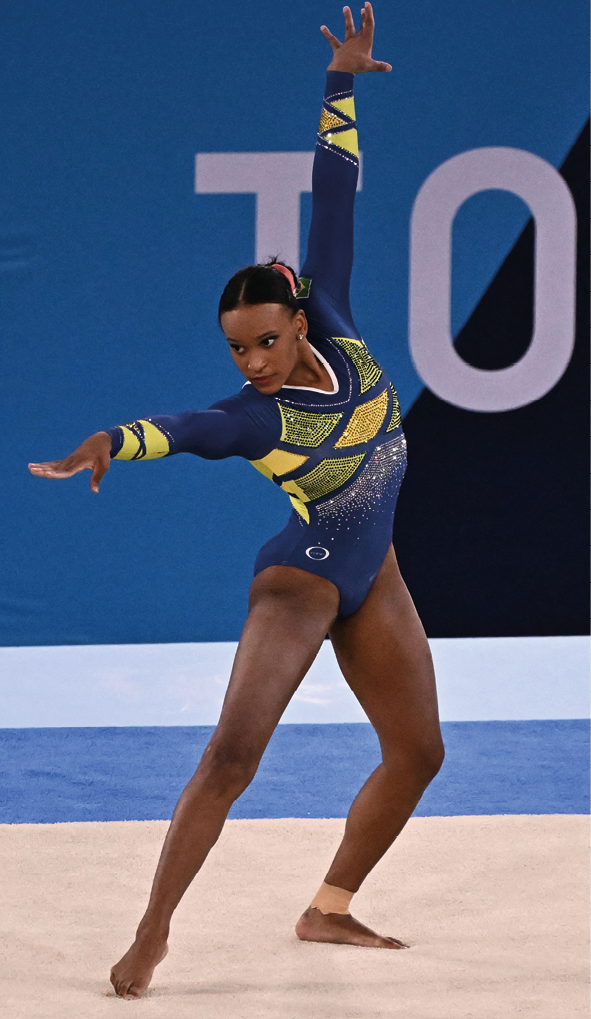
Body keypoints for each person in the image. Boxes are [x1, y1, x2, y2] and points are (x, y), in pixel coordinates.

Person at [29, 3, 444, 1000]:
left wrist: (338, 88)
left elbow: (334, 194)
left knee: (421, 751)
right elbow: (184, 427)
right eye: (237, 348)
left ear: (300, 319)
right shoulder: (254, 419)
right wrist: (114, 444)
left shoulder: (335, 316)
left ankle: (329, 905)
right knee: (231, 757)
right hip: (300, 581)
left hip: (374, 571)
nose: (252, 362)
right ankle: (151, 935)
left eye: (265, 339)